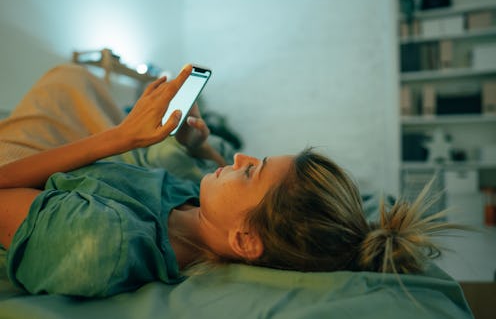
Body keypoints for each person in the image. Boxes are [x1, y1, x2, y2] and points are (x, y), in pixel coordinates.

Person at [0, 64, 457, 297]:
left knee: (67, 80)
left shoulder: (104, 242)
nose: (237, 156)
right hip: (72, 171)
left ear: (246, 242)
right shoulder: (201, 215)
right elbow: (220, 184)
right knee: (78, 79)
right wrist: (201, 148)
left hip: (16, 173)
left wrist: (118, 137)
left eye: (251, 170)